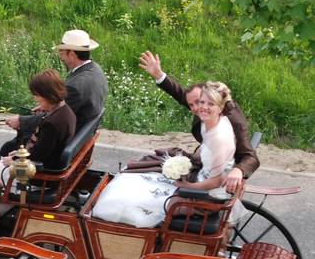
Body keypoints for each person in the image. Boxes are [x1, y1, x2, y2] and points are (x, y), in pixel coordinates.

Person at [92, 81, 242, 227]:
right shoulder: (213, 121)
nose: (203, 107)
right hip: (200, 177)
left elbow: (216, 181)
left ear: (221, 108)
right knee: (134, 180)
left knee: (131, 198)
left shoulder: (219, 137)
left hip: (207, 195)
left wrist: (188, 185)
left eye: (210, 104)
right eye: (201, 102)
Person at [0, 69, 76, 240]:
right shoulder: (65, 112)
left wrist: (11, 159)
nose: (35, 99)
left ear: (47, 94)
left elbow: (37, 158)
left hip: (37, 177)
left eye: (37, 95)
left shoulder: (52, 124)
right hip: (47, 166)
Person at [135, 51, 259, 194]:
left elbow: (251, 157)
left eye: (198, 103)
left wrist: (238, 170)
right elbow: (183, 95)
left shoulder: (232, 121)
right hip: (204, 161)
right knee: (152, 162)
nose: (195, 109)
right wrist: (159, 75)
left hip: (211, 174)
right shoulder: (207, 106)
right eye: (192, 105)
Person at [0, 29, 108, 158]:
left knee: (8, 147)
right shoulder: (95, 69)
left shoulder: (75, 86)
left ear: (71, 54)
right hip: (81, 131)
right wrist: (48, 104)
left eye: (62, 53)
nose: (61, 57)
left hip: (66, 139)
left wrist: (21, 121)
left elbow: (57, 117)